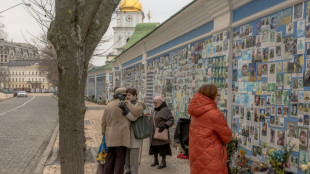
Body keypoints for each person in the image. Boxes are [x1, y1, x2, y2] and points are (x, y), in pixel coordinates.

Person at [188, 84, 232, 174]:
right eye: (218, 95)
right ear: (212, 97)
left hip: (197, 157)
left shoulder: (196, 113)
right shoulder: (214, 114)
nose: (218, 98)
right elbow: (227, 137)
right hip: (212, 160)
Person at [101, 87, 131, 174]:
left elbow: (103, 122)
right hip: (122, 137)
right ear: (123, 95)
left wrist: (104, 133)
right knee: (120, 159)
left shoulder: (109, 105)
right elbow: (135, 113)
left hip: (110, 136)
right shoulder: (126, 104)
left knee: (110, 157)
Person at [123, 88, 146, 174]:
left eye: (129, 95)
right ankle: (128, 171)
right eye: (126, 95)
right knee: (127, 157)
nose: (127, 97)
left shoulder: (139, 105)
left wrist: (125, 112)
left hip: (135, 135)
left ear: (135, 95)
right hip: (127, 135)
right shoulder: (127, 103)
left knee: (133, 159)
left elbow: (133, 118)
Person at [149, 96, 174, 169]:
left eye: (156, 103)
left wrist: (165, 126)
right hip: (153, 132)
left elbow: (171, 119)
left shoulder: (165, 110)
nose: (154, 104)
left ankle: (163, 162)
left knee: (162, 147)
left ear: (160, 102)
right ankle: (156, 160)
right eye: (154, 102)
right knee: (154, 146)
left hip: (161, 131)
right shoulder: (155, 109)